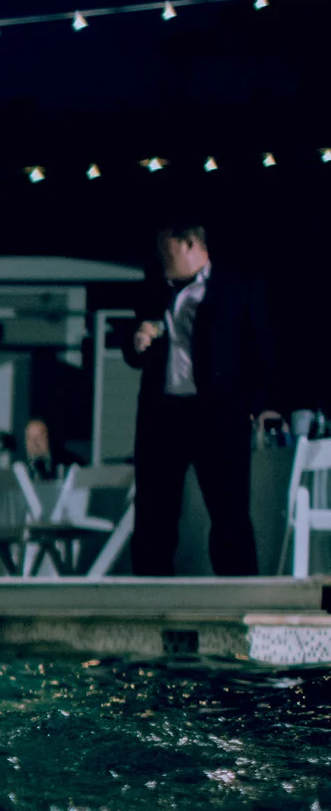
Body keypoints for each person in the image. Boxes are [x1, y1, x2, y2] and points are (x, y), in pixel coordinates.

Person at [123, 224, 276, 576]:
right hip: (163, 413)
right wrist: (138, 339)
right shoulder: (156, 288)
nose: (162, 260)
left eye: (167, 251)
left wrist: (254, 406)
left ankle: (237, 593)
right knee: (154, 512)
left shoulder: (236, 287)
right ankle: (149, 592)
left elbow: (260, 348)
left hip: (218, 414)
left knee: (229, 512)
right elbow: (133, 344)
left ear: (190, 245)